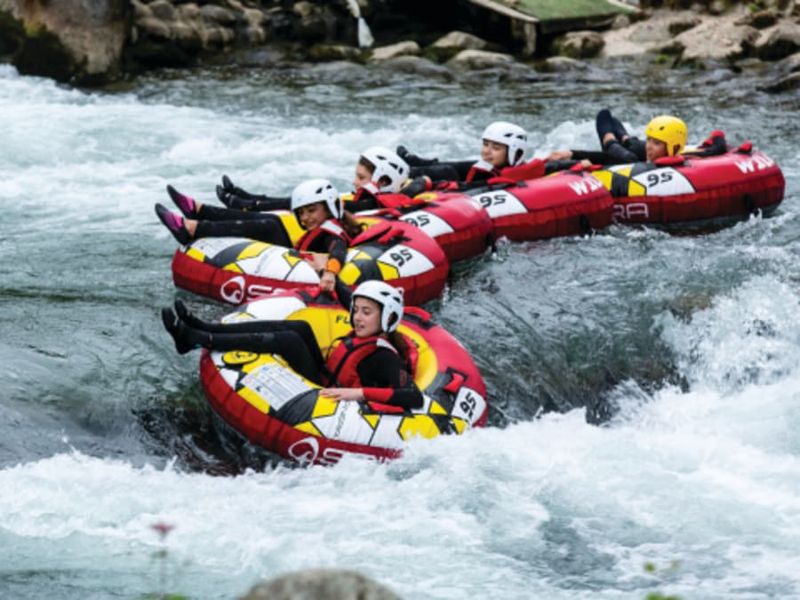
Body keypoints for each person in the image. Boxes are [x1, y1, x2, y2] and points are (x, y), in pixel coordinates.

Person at [161, 279, 423, 409]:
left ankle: (198, 340)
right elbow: (348, 300)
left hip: (329, 397)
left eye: (367, 313)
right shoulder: (367, 331)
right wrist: (333, 279)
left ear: (387, 318)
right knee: (300, 327)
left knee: (289, 341)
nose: (357, 317)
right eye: (357, 310)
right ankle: (205, 328)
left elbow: (413, 397)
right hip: (327, 378)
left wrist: (359, 394)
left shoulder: (383, 357)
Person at [155, 178, 362, 292]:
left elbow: (339, 250)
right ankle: (199, 212)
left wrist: (330, 273)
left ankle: (192, 227)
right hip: (291, 253)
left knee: (268, 227)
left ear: (329, 207)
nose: (306, 218)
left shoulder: (331, 233)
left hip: (291, 263)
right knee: (272, 222)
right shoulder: (331, 223)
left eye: (312, 211)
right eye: (301, 213)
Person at [397, 121, 592, 192]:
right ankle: (410, 164)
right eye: (485, 144)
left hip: (471, 191)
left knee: (448, 172)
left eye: (495, 147)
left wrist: (578, 159)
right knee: (451, 167)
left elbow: (569, 166)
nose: (486, 151)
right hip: (470, 177)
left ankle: (407, 170)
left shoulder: (527, 171)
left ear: (514, 152)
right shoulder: (493, 165)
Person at [215, 146, 415, 213]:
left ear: (383, 182)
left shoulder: (372, 205)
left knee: (308, 201)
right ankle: (248, 198)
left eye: (361, 177)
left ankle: (247, 204)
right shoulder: (369, 199)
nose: (354, 182)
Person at [547, 109, 726, 165]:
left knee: (629, 153)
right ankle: (619, 138)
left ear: (672, 147)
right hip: (632, 151)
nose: (650, 146)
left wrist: (716, 137)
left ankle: (615, 139)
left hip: (631, 156)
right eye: (649, 139)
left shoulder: (686, 156)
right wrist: (571, 154)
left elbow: (717, 148)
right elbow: (717, 144)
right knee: (628, 144)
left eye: (656, 143)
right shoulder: (645, 150)